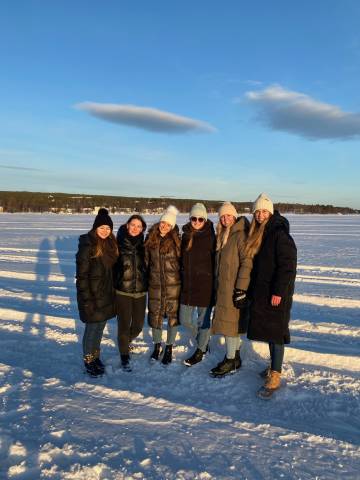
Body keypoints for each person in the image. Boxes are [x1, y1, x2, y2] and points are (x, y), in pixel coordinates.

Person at [246, 193, 297, 398]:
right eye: (257, 211)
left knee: (276, 332)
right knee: (269, 330)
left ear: (270, 211)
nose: (260, 215)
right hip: (263, 292)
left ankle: (275, 375)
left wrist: (278, 291)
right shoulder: (261, 232)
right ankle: (272, 366)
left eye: (263, 211)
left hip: (277, 293)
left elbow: (287, 266)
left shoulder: (279, 233)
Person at [210, 202, 253, 377]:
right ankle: (234, 358)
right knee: (231, 325)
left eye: (228, 215)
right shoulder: (223, 234)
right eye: (222, 216)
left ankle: (230, 360)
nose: (226, 218)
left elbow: (247, 263)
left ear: (234, 216)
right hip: (224, 288)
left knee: (230, 326)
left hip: (234, 288)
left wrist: (241, 289)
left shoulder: (240, 235)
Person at [76, 208, 118, 377]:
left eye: (108, 228)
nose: (105, 231)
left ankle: (95, 357)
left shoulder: (110, 245)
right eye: (102, 228)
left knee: (99, 329)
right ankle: (88, 361)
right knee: (91, 330)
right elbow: (82, 277)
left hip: (106, 296)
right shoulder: (88, 246)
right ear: (95, 228)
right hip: (92, 297)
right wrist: (87, 300)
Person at [180, 203, 216, 366]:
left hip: (205, 286)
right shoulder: (185, 235)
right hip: (188, 286)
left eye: (200, 219)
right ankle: (202, 339)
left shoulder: (212, 237)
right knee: (185, 319)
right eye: (193, 218)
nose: (196, 221)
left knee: (203, 321)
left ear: (205, 219)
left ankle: (201, 350)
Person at [145, 205, 181, 365]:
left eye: (168, 224)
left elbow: (182, 263)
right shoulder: (150, 240)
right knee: (155, 315)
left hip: (173, 285)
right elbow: (146, 262)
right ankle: (157, 346)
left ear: (172, 226)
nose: (164, 226)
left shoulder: (176, 241)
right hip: (155, 285)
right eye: (163, 222)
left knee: (173, 317)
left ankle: (169, 347)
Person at [114, 214, 147, 371]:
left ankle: (125, 341)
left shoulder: (145, 245)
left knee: (139, 325)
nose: (135, 228)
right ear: (127, 225)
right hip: (123, 292)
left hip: (141, 291)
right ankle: (124, 355)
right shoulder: (117, 244)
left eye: (139, 226)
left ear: (142, 229)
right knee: (124, 325)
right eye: (132, 225)